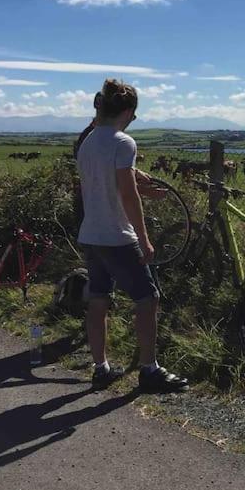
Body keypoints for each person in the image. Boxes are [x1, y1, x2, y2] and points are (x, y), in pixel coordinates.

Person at [76, 78, 189, 393]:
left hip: (91, 234)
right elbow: (127, 196)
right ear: (125, 111)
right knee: (147, 298)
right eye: (134, 114)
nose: (135, 120)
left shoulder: (88, 141)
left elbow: (105, 184)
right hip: (118, 236)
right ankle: (149, 370)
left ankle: (101, 367)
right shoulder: (123, 142)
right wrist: (144, 238)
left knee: (98, 299)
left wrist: (140, 187)